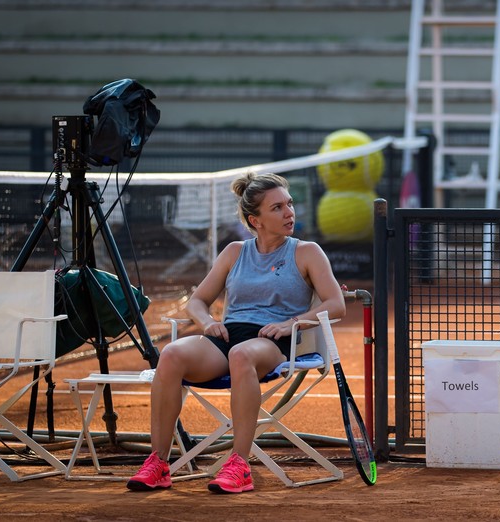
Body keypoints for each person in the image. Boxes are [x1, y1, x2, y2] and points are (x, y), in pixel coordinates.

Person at [126, 172, 346, 494]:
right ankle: (158, 463)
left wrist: (290, 323)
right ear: (254, 220)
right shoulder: (234, 252)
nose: (289, 213)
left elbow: (335, 304)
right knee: (171, 354)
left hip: (272, 341)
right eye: (277, 208)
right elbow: (197, 301)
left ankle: (239, 465)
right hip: (226, 336)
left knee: (241, 355)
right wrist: (207, 323)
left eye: (289, 204)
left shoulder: (307, 252)